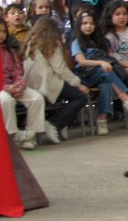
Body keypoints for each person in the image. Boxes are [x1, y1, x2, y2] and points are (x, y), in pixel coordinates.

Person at [70, 9, 128, 135]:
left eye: (91, 23)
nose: (88, 26)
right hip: (85, 76)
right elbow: (81, 62)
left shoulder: (101, 41)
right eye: (84, 23)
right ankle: (125, 98)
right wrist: (100, 63)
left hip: (102, 75)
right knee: (104, 70)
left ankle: (101, 119)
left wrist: (105, 64)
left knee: (106, 83)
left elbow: (110, 58)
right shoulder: (76, 42)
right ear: (79, 25)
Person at [21, 16, 88, 144]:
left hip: (30, 84)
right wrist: (78, 83)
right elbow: (60, 69)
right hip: (47, 83)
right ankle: (54, 124)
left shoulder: (29, 42)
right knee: (80, 97)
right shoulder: (52, 43)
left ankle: (58, 126)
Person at [0, 19, 45, 150]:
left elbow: (17, 71)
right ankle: (12, 136)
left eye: (3, 31)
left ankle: (30, 136)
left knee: (36, 98)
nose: (1, 34)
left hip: (13, 86)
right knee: (6, 100)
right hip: (3, 89)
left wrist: (20, 84)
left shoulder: (9, 51)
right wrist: (7, 88)